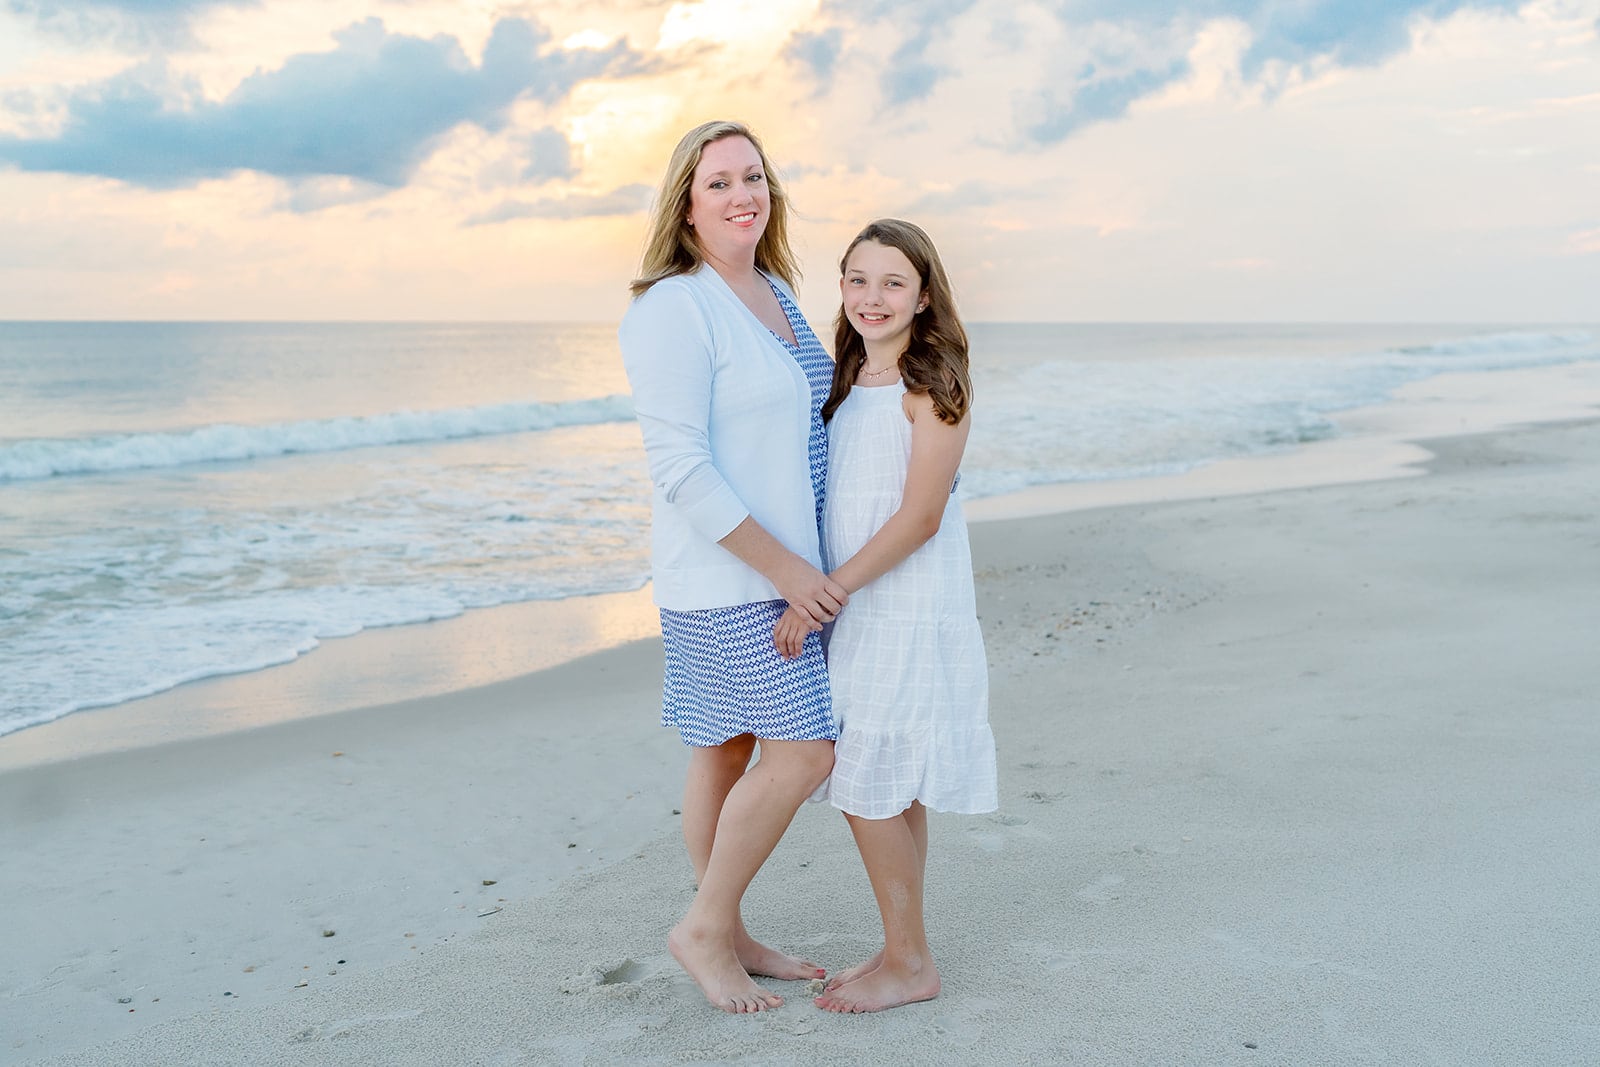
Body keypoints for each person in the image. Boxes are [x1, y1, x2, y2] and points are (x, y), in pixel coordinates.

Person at [618, 120, 845, 1014]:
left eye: (754, 176)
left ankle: (732, 927)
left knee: (727, 747)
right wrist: (788, 568)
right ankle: (705, 928)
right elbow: (679, 468)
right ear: (684, 205)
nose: (743, 193)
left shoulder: (775, 292)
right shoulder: (673, 306)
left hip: (782, 567)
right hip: (727, 576)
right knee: (803, 749)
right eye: (719, 182)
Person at [774, 218, 999, 1014]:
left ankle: (912, 962)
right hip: (858, 605)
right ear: (841, 289)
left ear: (924, 294)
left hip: (903, 604)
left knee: (865, 777)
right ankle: (902, 947)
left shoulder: (932, 386)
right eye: (858, 280)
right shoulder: (842, 381)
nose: (874, 297)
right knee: (894, 785)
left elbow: (919, 517)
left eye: (893, 282)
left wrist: (827, 591)